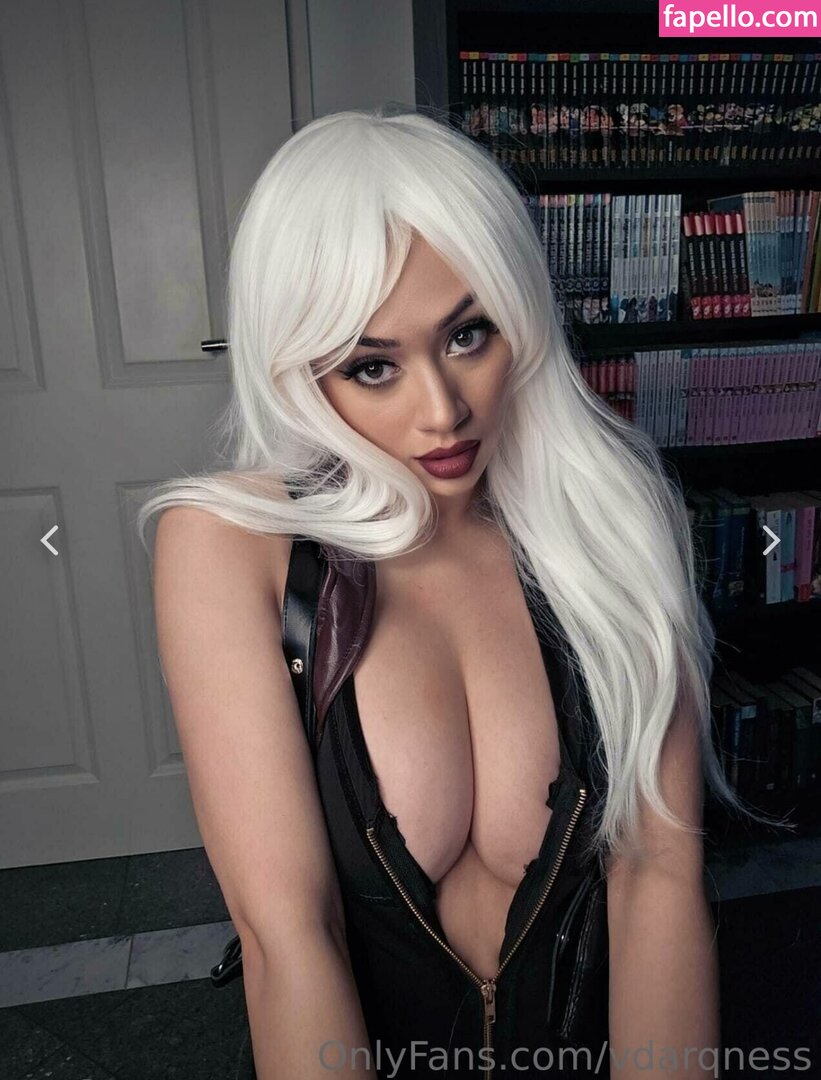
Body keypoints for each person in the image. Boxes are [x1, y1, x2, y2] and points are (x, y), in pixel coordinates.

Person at [138, 107, 787, 1079]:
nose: (442, 411)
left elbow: (656, 877)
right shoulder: (231, 547)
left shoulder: (613, 517)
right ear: (301, 371)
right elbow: (289, 935)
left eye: (468, 334)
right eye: (372, 366)